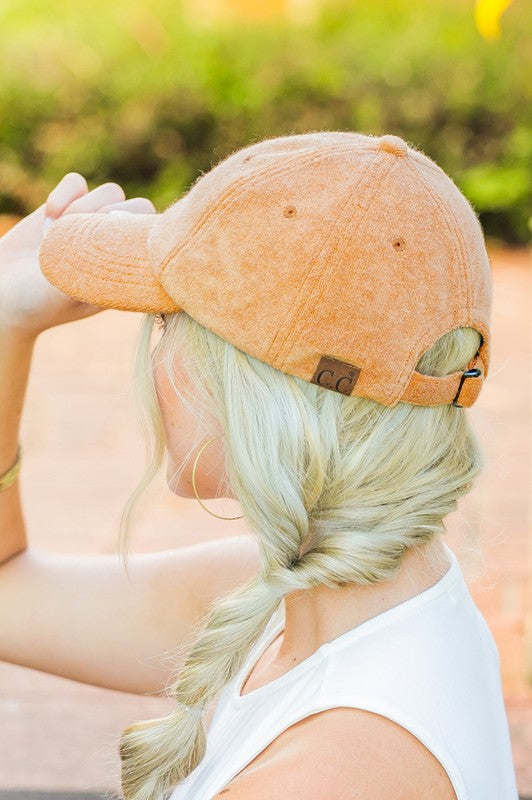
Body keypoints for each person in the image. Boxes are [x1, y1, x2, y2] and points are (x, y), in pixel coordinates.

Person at [0, 131, 519, 800]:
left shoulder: (335, 771)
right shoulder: (308, 595)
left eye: (166, 322)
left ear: (247, 384)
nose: (156, 358)